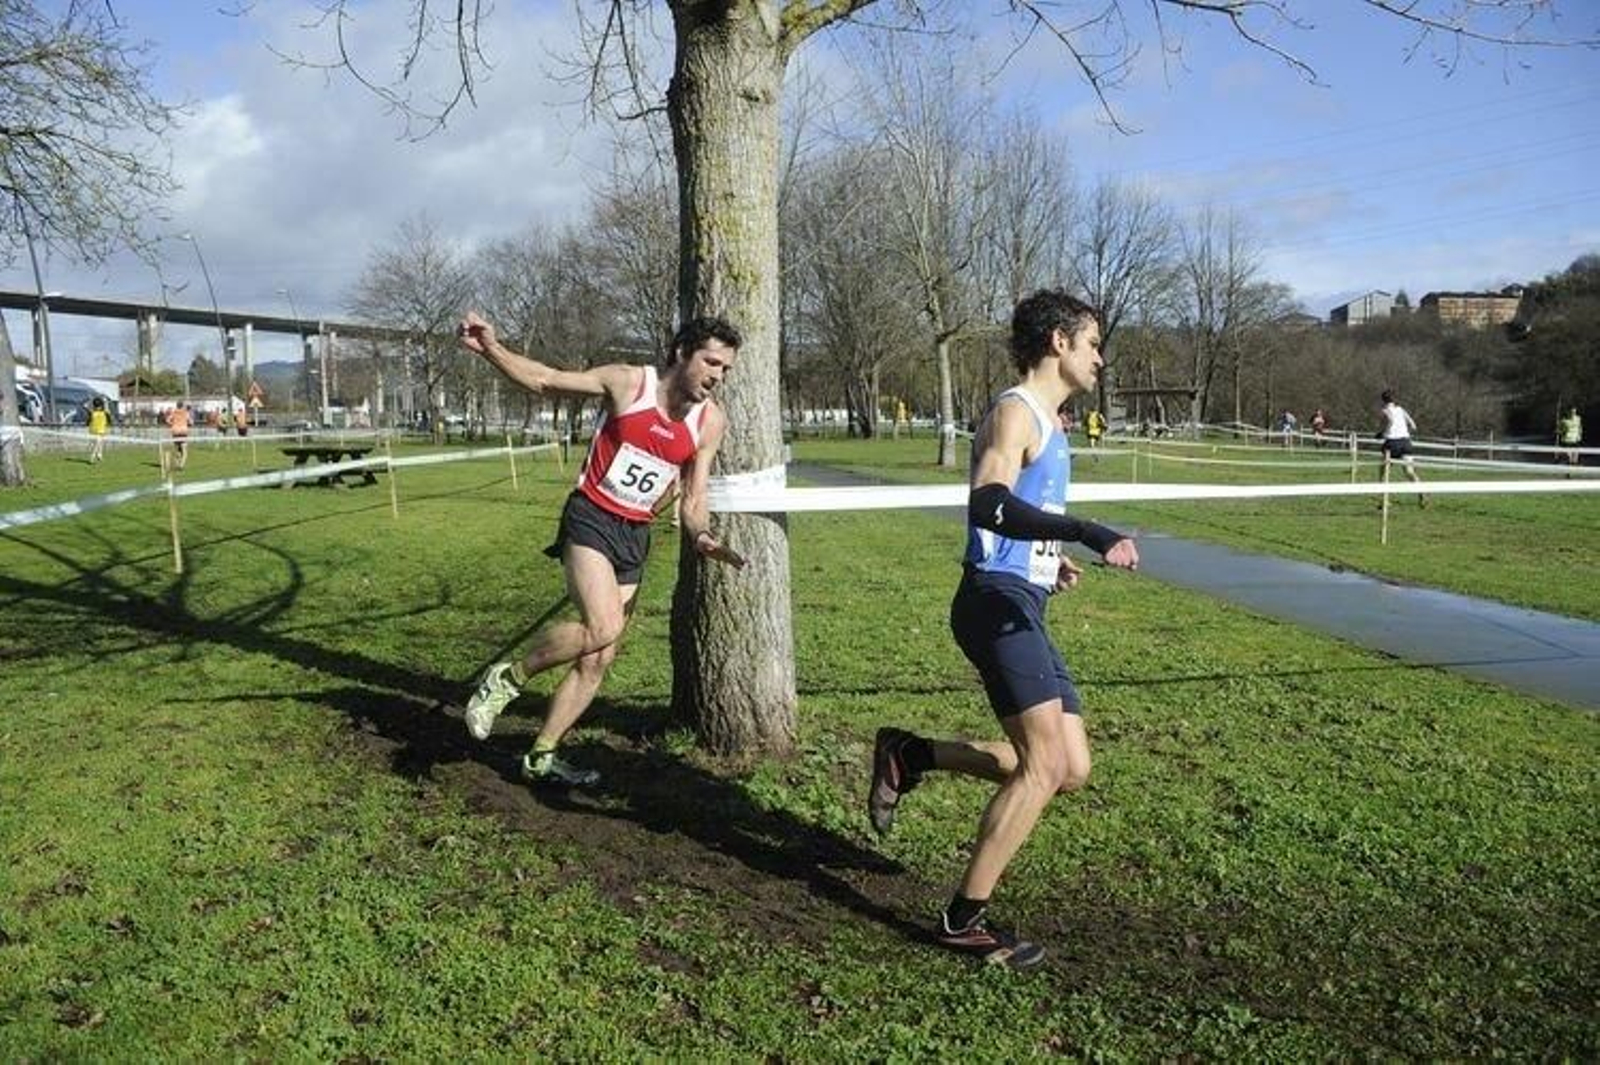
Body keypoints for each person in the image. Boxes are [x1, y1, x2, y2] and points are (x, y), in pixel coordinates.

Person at [868, 289, 1139, 969]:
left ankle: (912, 754)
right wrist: (1086, 532)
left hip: (1022, 599)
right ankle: (963, 920)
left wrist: (1048, 560)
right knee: (1043, 765)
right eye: (1093, 344)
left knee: (1069, 768)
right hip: (992, 602)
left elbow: (1019, 517)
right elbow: (989, 504)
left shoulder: (1053, 423)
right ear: (1058, 342)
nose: (1100, 358)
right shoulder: (1015, 412)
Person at [457, 310, 743, 786]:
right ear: (681, 353)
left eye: (726, 369)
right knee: (603, 625)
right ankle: (506, 679)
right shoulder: (628, 383)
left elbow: (694, 498)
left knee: (598, 657)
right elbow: (546, 380)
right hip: (590, 516)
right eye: (711, 362)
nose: (718, 376)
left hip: (634, 534)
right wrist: (491, 348)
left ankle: (542, 755)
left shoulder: (710, 422)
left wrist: (702, 536)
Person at [1377, 389, 1424, 506]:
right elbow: (1413, 425)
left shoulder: (1385, 411)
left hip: (1392, 443)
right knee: (1409, 471)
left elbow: (1390, 421)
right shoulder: (1401, 409)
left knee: (1383, 472)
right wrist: (1404, 433)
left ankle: (1385, 500)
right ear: (1394, 399)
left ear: (1383, 400)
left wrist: (1383, 433)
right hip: (1406, 443)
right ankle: (1421, 492)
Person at [166, 403, 192, 470]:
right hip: (183, 432)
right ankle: (181, 465)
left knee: (177, 449)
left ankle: (177, 463)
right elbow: (191, 422)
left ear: (177, 406)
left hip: (175, 432)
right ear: (182, 406)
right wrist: (188, 424)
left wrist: (172, 424)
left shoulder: (173, 412)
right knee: (184, 450)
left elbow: (167, 420)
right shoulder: (185, 413)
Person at [87, 397, 110, 464]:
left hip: (102, 430)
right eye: (97, 406)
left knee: (100, 443)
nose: (98, 407)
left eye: (99, 406)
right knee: (97, 443)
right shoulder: (92, 412)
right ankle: (92, 456)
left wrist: (106, 402)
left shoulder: (104, 412)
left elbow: (107, 409)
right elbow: (87, 407)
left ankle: (99, 455)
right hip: (94, 431)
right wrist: (90, 401)